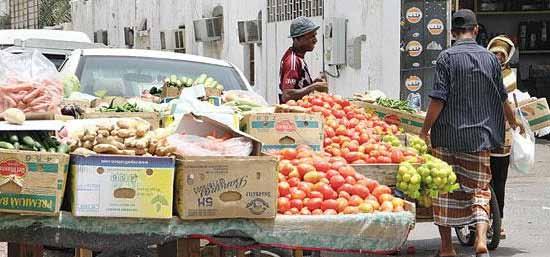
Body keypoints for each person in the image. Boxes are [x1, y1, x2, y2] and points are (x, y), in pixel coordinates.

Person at [420, 9, 520, 257]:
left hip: (448, 137)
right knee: (479, 190)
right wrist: (513, 120)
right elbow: (503, 97)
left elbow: (438, 99)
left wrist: (425, 129)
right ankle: (481, 240)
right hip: (481, 136)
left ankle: (446, 248)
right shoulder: (490, 59)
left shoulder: (446, 58)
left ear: (453, 33)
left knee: (444, 190)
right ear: (475, 30)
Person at [487, 35, 517, 239]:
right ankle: (480, 220)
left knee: (499, 181)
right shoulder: (481, 71)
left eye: (501, 54)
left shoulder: (509, 77)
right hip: (482, 134)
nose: (498, 57)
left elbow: (511, 103)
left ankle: (498, 222)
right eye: (494, 53)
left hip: (503, 137)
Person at [279, 16, 327, 104]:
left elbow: (298, 86)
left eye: (315, 36)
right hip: (293, 114)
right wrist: (313, 87)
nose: (315, 40)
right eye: (311, 36)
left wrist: (312, 83)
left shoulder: (298, 58)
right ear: (297, 39)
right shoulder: (292, 61)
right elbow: (287, 95)